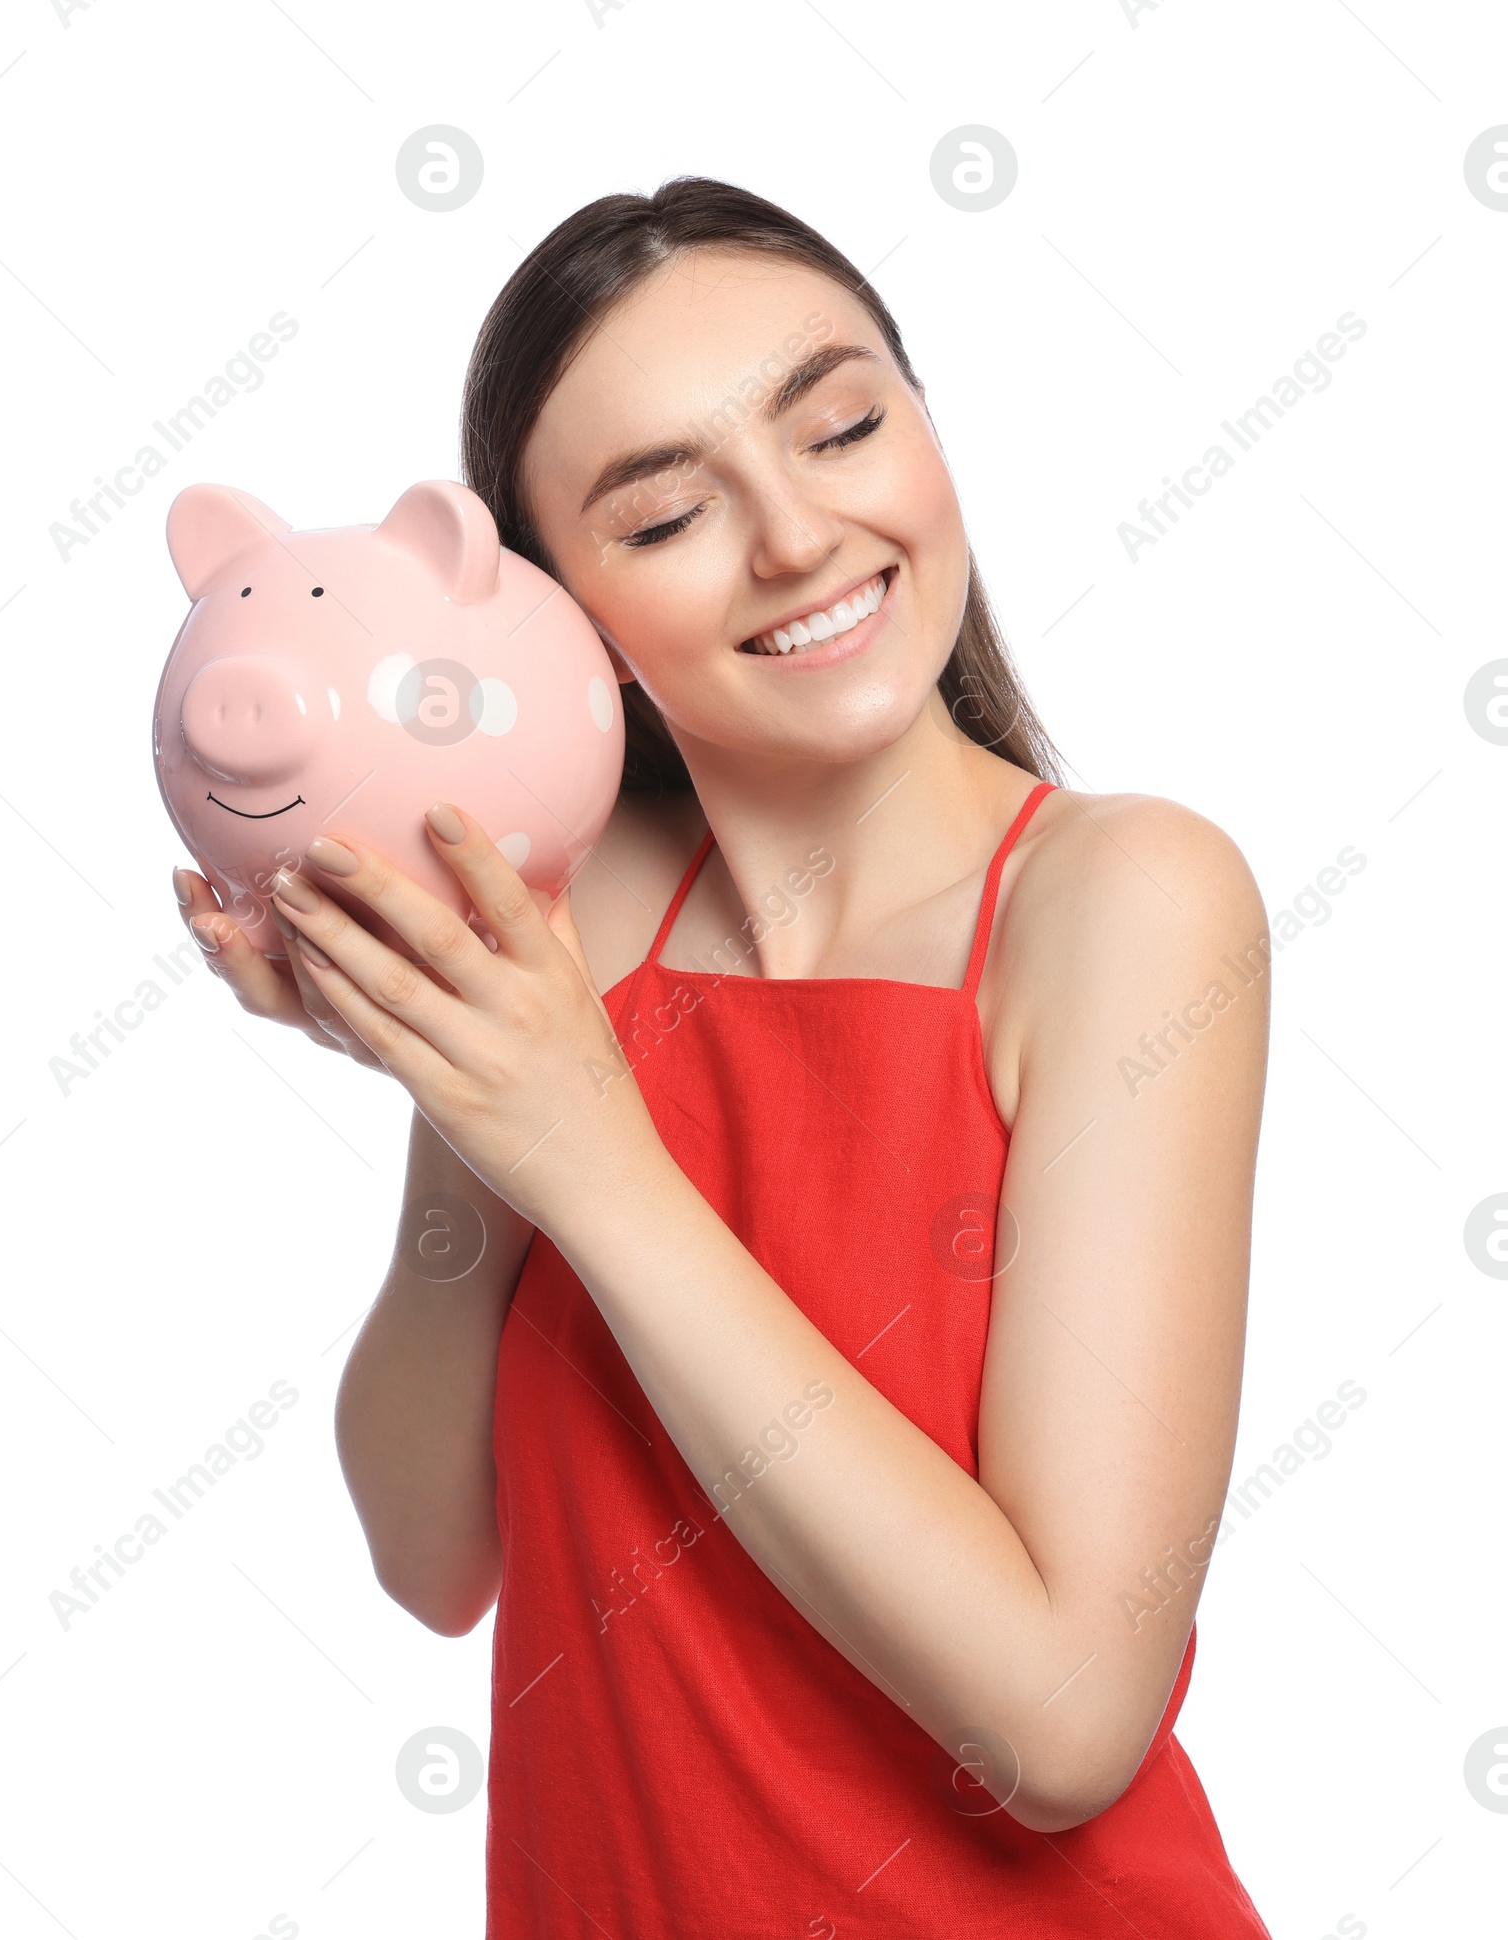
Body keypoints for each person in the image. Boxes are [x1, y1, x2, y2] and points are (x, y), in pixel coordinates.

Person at [173, 176, 1274, 1936]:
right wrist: (467, 1093)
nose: (797, 537)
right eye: (670, 514)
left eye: (842, 426)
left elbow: (1069, 1720)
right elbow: (428, 1556)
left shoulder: (1119, 904)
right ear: (553, 617)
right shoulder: (566, 908)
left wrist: (590, 1153)